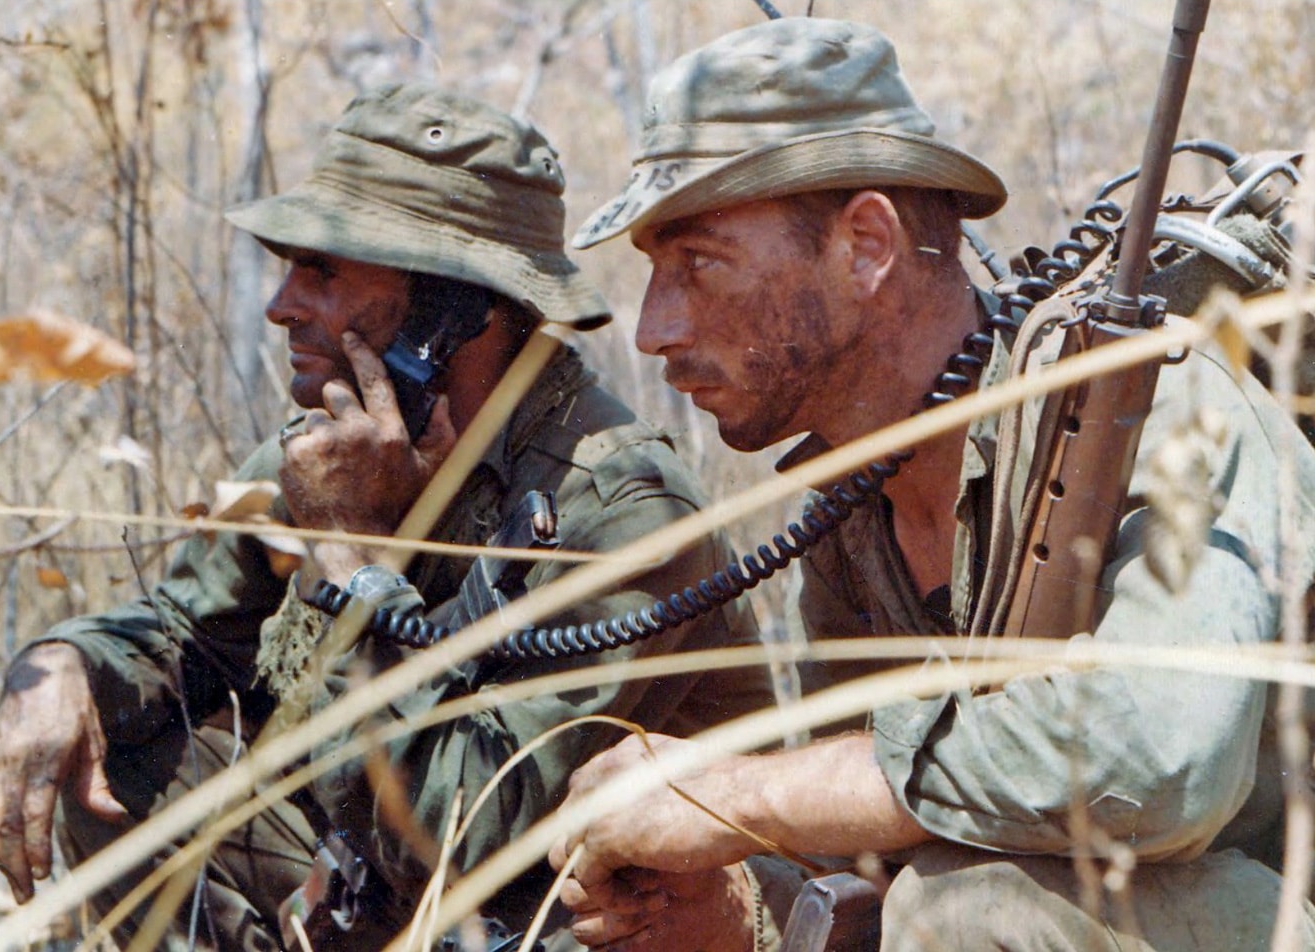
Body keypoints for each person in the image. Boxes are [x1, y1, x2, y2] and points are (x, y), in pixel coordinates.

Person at [549, 17, 1315, 952]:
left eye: (700, 264)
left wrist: (740, 791)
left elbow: (1162, 766)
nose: (655, 329)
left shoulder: (1155, 402)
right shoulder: (849, 511)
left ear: (866, 244)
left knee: (965, 911)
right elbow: (896, 851)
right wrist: (735, 910)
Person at [0, 82, 770, 951]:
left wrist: (352, 565)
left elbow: (464, 839)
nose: (281, 304)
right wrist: (60, 667)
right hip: (393, 888)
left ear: (453, 310)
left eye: (322, 270)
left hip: (556, 912)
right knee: (120, 745)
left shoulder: (619, 512)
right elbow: (180, 631)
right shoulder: (338, 448)